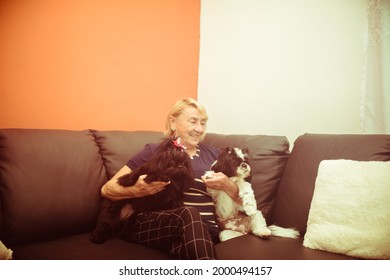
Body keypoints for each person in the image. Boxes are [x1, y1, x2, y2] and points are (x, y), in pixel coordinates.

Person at [101, 98, 241, 260]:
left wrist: (229, 185)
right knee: (188, 213)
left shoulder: (217, 156)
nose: (199, 128)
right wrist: (135, 190)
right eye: (193, 121)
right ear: (173, 123)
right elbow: (107, 189)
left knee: (187, 248)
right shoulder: (154, 151)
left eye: (203, 123)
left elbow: (246, 202)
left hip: (204, 230)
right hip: (155, 224)